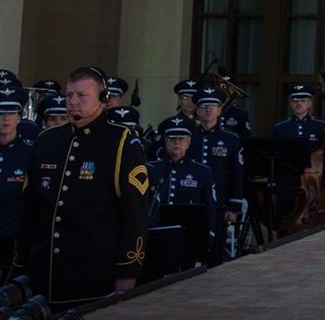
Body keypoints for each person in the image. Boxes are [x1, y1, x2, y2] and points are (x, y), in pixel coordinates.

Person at [10, 66, 151, 304]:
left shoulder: (121, 142)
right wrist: (20, 263)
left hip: (93, 274)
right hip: (43, 273)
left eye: (82, 96)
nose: (73, 102)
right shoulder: (47, 140)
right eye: (69, 95)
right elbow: (31, 209)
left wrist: (128, 270)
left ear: (104, 99)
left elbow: (135, 213)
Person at [146, 118, 218, 266]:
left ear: (189, 142)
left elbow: (210, 206)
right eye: (172, 139)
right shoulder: (150, 169)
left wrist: (209, 234)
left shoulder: (202, 171)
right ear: (165, 141)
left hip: (189, 236)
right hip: (157, 233)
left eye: (182, 139)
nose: (177, 143)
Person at [190, 86, 243, 237]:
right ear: (198, 111)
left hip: (220, 201)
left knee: (217, 248)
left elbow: (237, 173)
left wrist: (234, 206)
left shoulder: (231, 138)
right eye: (204, 106)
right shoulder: (189, 137)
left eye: (213, 106)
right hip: (193, 199)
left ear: (219, 110)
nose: (208, 110)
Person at [0, 85, 31, 271]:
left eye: (11, 112)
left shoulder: (30, 152)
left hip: (14, 240)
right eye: (1, 112)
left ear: (19, 117)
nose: (5, 118)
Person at [272, 84, 325, 149]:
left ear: (309, 103)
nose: (298, 104)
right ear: (291, 103)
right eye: (295, 101)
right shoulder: (280, 127)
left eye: (303, 100)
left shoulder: (321, 125)